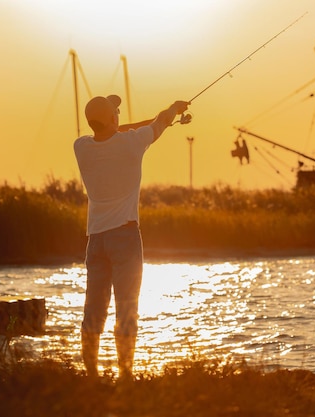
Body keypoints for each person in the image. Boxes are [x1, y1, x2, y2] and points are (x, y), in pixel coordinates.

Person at [74, 94, 190, 379]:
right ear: (114, 118)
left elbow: (114, 131)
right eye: (116, 112)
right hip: (124, 237)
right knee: (127, 308)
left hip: (95, 241)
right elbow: (159, 123)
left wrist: (120, 121)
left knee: (94, 310)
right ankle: (125, 375)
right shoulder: (131, 143)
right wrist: (173, 109)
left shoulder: (81, 147)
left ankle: (92, 377)